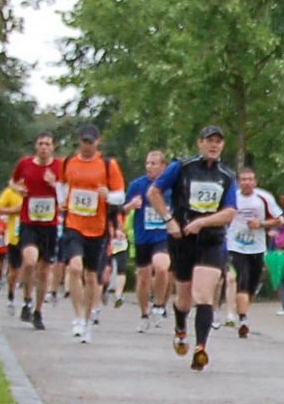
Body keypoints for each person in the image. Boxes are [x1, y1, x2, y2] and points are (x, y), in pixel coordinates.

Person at [148, 126, 238, 370]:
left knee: (203, 294)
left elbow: (230, 212)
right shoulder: (181, 167)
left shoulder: (227, 176)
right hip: (182, 239)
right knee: (185, 297)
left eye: (219, 142)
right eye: (210, 141)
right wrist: (169, 220)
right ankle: (180, 327)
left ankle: (201, 348)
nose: (214, 145)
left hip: (211, 240)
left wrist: (203, 222)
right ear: (200, 143)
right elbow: (154, 192)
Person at [57, 123, 126, 343]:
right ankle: (77, 316)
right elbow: (61, 185)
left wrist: (108, 196)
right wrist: (62, 201)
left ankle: (87, 320)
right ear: (79, 141)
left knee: (91, 276)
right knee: (74, 268)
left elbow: (120, 197)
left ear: (98, 142)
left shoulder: (108, 165)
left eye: (91, 141)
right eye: (84, 141)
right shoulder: (68, 162)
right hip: (74, 224)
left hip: (97, 229)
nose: (87, 145)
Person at [9, 131, 60, 330]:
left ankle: (38, 311)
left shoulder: (59, 166)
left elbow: (67, 190)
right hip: (29, 221)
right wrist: (17, 189)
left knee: (45, 270)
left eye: (47, 144)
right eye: (40, 143)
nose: (44, 147)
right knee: (29, 262)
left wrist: (54, 184)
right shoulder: (25, 164)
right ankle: (27, 300)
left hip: (49, 224)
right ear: (35, 146)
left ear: (53, 147)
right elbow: (12, 181)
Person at [224, 166, 283, 338]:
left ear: (255, 181)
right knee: (242, 278)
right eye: (243, 179)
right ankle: (243, 320)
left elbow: (280, 219)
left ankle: (241, 310)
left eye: (250, 179)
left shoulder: (264, 198)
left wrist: (261, 224)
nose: (247, 183)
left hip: (257, 247)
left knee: (251, 284)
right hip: (235, 245)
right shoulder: (231, 197)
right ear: (238, 182)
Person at [124, 149, 173, 333]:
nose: (149, 167)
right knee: (143, 277)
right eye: (147, 163)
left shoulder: (171, 186)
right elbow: (122, 210)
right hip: (143, 236)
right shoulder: (137, 185)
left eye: (154, 164)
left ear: (163, 167)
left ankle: (159, 305)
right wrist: (131, 205)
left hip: (163, 235)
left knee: (161, 267)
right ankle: (144, 314)